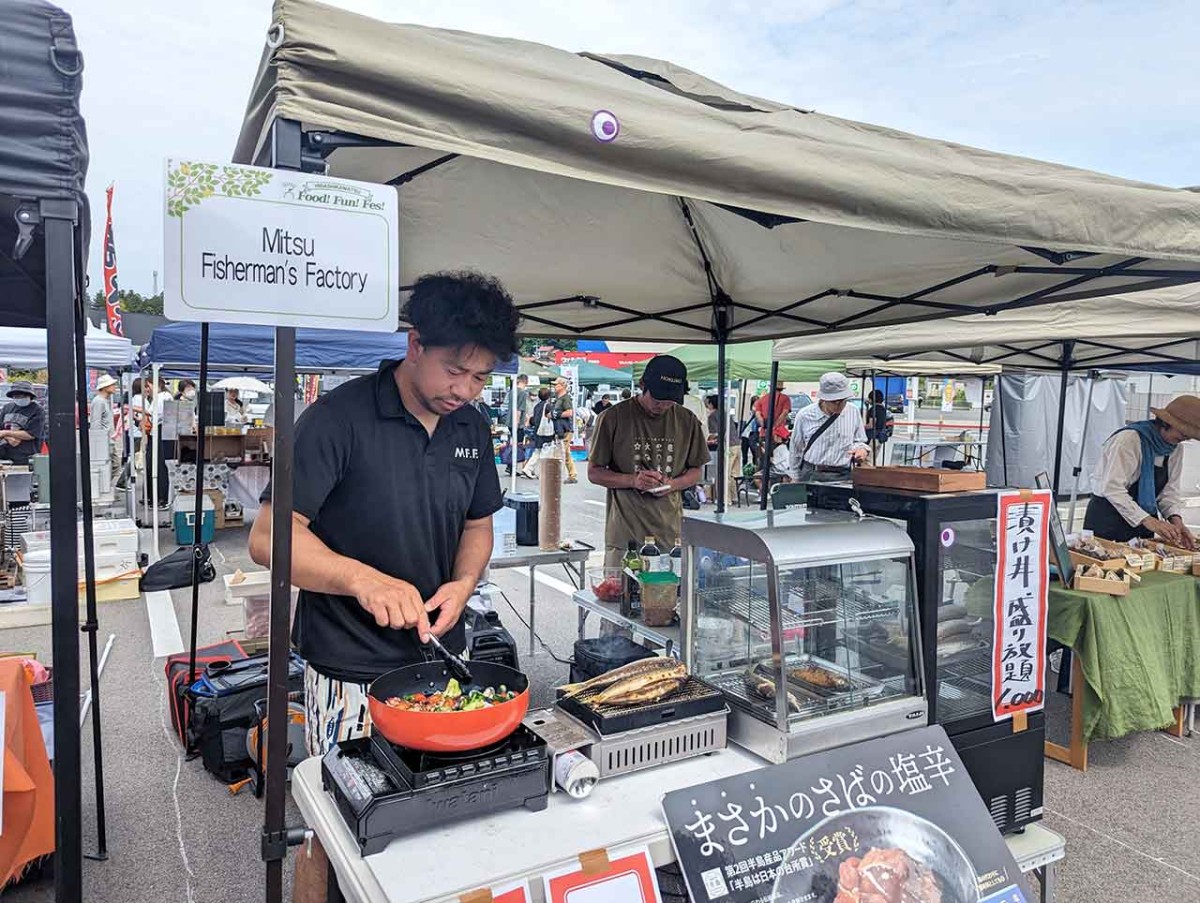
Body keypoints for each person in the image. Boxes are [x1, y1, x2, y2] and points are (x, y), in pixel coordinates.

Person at [248, 271, 519, 903]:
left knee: (427, 823)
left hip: (434, 659)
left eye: (480, 377)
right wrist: (360, 579)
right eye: (455, 370)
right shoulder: (336, 419)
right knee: (336, 823)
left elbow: (479, 523)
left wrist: (462, 582)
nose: (465, 389)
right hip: (346, 663)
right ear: (414, 344)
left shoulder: (472, 430)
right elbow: (269, 537)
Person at [588, 356, 708, 567]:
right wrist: (633, 481)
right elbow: (594, 472)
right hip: (625, 538)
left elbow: (696, 470)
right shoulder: (613, 418)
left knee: (668, 596)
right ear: (643, 384)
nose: (662, 406)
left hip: (671, 537)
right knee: (621, 596)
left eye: (670, 401)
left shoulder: (687, 421)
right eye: (657, 399)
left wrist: (673, 484)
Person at [1083, 396, 1200, 549]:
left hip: (1144, 521)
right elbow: (1112, 488)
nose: (1184, 439)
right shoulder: (1129, 440)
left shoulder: (1175, 449)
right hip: (1108, 518)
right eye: (1183, 433)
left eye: (1188, 436)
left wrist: (1177, 522)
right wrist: (1149, 521)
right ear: (1166, 423)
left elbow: (1169, 493)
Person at [788, 372, 869, 483]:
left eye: (843, 401)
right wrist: (795, 476)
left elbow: (860, 440)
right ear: (824, 399)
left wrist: (861, 449)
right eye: (834, 402)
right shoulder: (804, 415)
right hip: (812, 474)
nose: (839, 405)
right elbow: (796, 448)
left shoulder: (853, 411)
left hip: (843, 475)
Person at [705, 394, 741, 506]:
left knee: (724, 473)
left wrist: (709, 439)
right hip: (737, 444)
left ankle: (725, 499)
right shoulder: (726, 414)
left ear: (711, 404)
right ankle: (734, 497)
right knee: (734, 474)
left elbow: (715, 434)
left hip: (727, 446)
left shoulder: (713, 416)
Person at [0, 381, 45, 466]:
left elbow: (31, 434)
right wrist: (8, 438)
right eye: (16, 396)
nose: (19, 398)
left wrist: (6, 433)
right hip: (5, 455)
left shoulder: (37, 410)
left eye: (23, 395)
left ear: (30, 396)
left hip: (26, 457)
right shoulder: (6, 408)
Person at [89, 374, 120, 481]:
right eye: (112, 385)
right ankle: (104, 487)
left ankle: (105, 487)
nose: (114, 387)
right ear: (105, 387)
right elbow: (95, 423)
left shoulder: (103, 401)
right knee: (112, 465)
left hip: (107, 440)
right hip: (103, 441)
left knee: (113, 465)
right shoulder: (99, 401)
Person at [520, 386, 554, 478]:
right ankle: (543, 472)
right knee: (545, 452)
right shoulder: (548, 406)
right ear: (548, 396)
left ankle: (528, 469)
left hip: (537, 431)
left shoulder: (537, 406)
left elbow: (534, 420)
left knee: (537, 451)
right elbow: (552, 417)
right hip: (546, 432)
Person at [550, 376, 578, 483]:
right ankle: (572, 474)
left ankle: (569, 475)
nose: (555, 386)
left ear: (563, 386)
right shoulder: (558, 398)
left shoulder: (565, 398)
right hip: (560, 428)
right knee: (565, 453)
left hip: (566, 429)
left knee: (563, 452)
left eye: (557, 384)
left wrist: (558, 414)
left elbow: (570, 412)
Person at [864, 388, 894, 465]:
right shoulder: (884, 410)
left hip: (871, 438)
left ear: (872, 399)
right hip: (880, 438)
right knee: (874, 460)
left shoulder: (873, 409)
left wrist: (862, 427)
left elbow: (871, 425)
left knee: (867, 461)